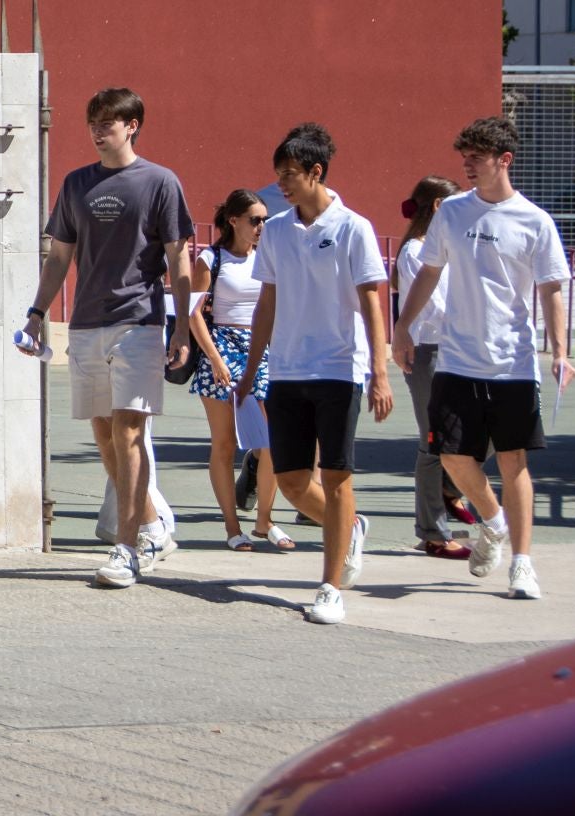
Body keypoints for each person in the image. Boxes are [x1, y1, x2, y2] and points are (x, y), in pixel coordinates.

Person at [393, 116, 574, 601]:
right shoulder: (452, 212)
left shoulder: (534, 220)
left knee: (513, 462)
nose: (467, 164)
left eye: (476, 156)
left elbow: (552, 290)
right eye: (464, 157)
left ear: (504, 160)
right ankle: (493, 523)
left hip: (512, 363)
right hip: (456, 360)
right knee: (451, 456)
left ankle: (522, 564)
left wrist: (559, 351)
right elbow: (429, 272)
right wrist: (403, 326)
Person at [19, 87, 192, 589]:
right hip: (87, 323)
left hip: (139, 321)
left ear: (132, 124)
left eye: (109, 122)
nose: (98, 130)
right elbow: (58, 258)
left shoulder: (160, 182)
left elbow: (179, 257)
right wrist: (36, 312)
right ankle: (153, 524)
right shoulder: (76, 184)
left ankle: (126, 547)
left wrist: (181, 325)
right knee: (102, 432)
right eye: (93, 121)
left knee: (129, 431)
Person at [237, 124, 391, 626]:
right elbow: (268, 300)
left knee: (337, 476)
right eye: (277, 174)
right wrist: (252, 365)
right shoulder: (277, 229)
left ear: (315, 172)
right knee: (291, 482)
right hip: (286, 370)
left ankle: (329, 587)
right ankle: (350, 528)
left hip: (339, 369)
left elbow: (371, 300)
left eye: (289, 175)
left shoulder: (354, 228)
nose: (280, 183)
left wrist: (380, 372)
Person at [190, 189, 293, 551]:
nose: (262, 226)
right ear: (233, 220)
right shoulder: (210, 258)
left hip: (262, 351)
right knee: (224, 444)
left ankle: (265, 520)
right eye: (255, 219)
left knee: (272, 443)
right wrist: (216, 359)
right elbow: (193, 313)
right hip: (221, 349)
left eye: (265, 219)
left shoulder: (268, 257)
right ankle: (233, 527)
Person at [392, 174, 470, 560]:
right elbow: (436, 305)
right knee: (433, 441)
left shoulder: (453, 247)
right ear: (439, 207)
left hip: (459, 350)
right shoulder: (415, 252)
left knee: (479, 431)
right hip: (428, 352)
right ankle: (433, 533)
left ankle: (449, 487)